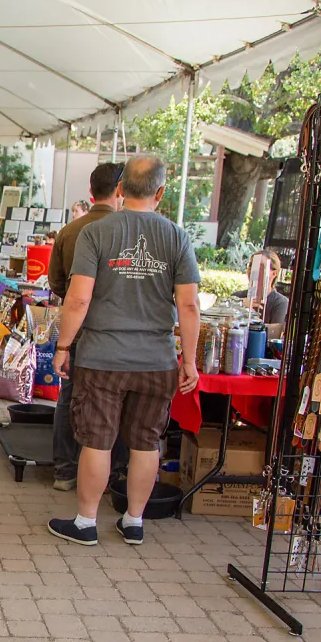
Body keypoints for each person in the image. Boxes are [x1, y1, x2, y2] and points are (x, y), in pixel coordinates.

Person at [50, 155, 201, 547]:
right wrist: (190, 361)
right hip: (157, 359)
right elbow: (188, 306)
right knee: (146, 441)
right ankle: (133, 521)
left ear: (120, 188)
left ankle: (86, 523)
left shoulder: (96, 233)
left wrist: (63, 346)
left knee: (96, 440)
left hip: (102, 357)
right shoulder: (177, 237)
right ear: (161, 192)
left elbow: (78, 298)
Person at [47, 161, 127, 491]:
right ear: (121, 191)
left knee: (70, 396)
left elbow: (56, 283)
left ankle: (64, 471)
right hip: (117, 331)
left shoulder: (70, 231)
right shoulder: (127, 230)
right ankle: (113, 473)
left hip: (77, 328)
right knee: (115, 401)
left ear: (91, 192)